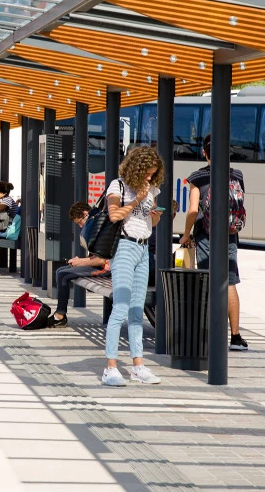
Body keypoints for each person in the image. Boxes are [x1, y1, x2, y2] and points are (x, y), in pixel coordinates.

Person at [101, 146, 165, 387]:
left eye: (153, 174)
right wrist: (138, 198)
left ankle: (138, 366)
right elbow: (114, 215)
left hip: (143, 247)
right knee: (121, 307)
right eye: (147, 173)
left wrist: (155, 213)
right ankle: (110, 367)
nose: (150, 178)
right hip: (125, 247)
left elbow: (152, 221)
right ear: (136, 169)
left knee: (137, 311)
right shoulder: (118, 186)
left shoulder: (152, 190)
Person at [181, 134, 248, 352]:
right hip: (229, 235)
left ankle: (207, 334)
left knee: (208, 281)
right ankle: (235, 337)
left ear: (204, 152)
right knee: (230, 283)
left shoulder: (197, 177)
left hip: (205, 235)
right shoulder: (237, 175)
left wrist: (185, 234)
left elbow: (192, 210)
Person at [50, 202, 110, 327]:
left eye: (79, 222)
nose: (81, 226)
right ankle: (60, 314)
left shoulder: (100, 226)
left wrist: (81, 261)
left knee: (63, 274)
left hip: (106, 268)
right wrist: (81, 261)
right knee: (60, 270)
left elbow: (103, 260)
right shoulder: (96, 225)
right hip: (100, 265)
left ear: (85, 214)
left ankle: (60, 315)